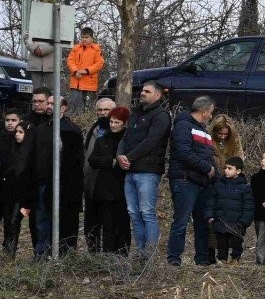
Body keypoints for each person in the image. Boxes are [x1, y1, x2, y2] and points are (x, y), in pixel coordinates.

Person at [116, 81, 171, 260]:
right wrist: (119, 155)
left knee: (147, 211)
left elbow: (151, 141)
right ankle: (140, 252)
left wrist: (128, 157)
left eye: (147, 91)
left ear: (157, 95)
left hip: (147, 171)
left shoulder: (162, 115)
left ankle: (151, 255)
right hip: (130, 170)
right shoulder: (136, 113)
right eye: (142, 90)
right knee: (134, 212)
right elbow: (125, 137)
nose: (142, 93)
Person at [26, 92, 84, 256]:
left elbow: (76, 163)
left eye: (54, 104)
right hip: (43, 183)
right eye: (49, 103)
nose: (49, 106)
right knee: (42, 221)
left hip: (64, 185)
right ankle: (42, 254)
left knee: (64, 221)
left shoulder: (71, 131)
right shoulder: (41, 129)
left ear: (63, 108)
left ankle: (64, 254)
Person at [165, 95, 219, 267]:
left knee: (202, 222)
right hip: (185, 180)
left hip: (202, 183)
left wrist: (214, 171)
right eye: (210, 113)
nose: (211, 116)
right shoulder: (182, 126)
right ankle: (174, 260)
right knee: (181, 221)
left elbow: (208, 155)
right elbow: (184, 152)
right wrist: (207, 168)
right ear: (203, 111)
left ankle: (202, 259)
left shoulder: (203, 130)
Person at [84, 101, 131, 254]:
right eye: (111, 121)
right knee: (107, 225)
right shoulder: (101, 139)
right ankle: (108, 255)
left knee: (122, 224)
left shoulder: (128, 140)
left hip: (122, 187)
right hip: (103, 188)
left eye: (116, 122)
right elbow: (92, 159)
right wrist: (111, 161)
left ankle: (122, 254)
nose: (113, 125)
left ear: (124, 123)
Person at [211, 157, 254, 262]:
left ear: (238, 171)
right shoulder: (219, 185)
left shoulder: (245, 188)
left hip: (237, 223)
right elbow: (211, 201)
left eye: (230, 168)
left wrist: (244, 221)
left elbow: (249, 206)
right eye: (225, 168)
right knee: (221, 242)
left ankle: (235, 259)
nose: (226, 170)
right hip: (221, 220)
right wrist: (210, 214)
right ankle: (221, 259)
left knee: (236, 242)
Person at [0, 114, 28, 256]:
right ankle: (7, 248)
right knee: (7, 219)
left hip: (20, 190)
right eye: (7, 120)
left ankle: (11, 250)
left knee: (14, 220)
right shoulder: (3, 139)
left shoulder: (25, 143)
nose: (10, 123)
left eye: (13, 121)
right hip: (5, 188)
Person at [66, 27, 104, 115]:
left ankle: (87, 120)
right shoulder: (76, 48)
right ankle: (77, 119)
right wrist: (75, 72)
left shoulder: (96, 49)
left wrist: (86, 71)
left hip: (89, 81)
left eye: (86, 37)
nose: (84, 39)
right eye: (82, 37)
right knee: (76, 102)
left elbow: (99, 64)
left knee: (89, 105)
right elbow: (70, 61)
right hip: (76, 81)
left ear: (92, 38)